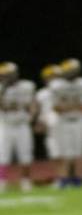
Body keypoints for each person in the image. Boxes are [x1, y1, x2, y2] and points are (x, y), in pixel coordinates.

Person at [49, 58, 82, 188]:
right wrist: (75, 105)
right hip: (62, 122)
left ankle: (78, 179)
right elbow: (56, 108)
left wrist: (69, 106)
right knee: (64, 152)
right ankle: (64, 179)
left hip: (78, 121)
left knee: (79, 152)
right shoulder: (56, 85)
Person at [0, 62, 37, 192]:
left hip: (22, 125)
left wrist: (32, 117)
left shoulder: (27, 86)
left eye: (8, 75)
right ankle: (2, 181)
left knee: (25, 154)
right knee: (2, 154)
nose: (5, 77)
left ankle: (25, 181)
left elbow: (33, 103)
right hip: (5, 125)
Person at [35, 64, 63, 169]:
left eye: (55, 76)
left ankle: (71, 177)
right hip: (50, 127)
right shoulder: (41, 93)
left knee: (68, 153)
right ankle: (60, 177)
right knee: (54, 152)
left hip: (65, 124)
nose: (53, 79)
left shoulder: (65, 90)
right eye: (50, 77)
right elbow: (41, 111)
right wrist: (39, 122)